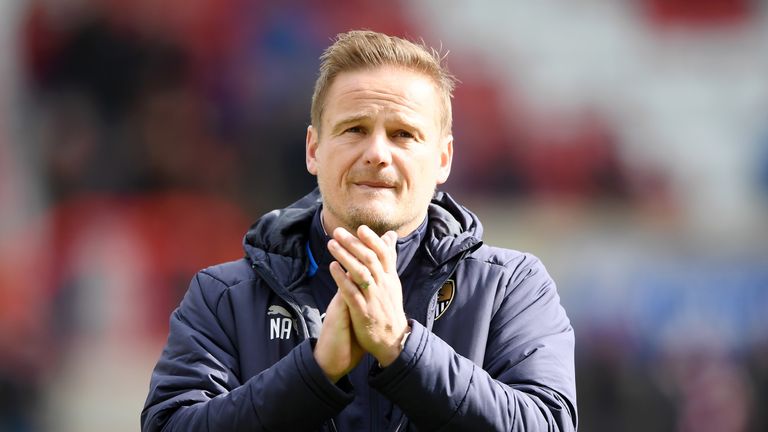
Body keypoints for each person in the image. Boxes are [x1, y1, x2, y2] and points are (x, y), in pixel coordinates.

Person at [141, 30, 577, 431]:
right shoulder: (223, 296)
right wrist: (313, 373)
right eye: (355, 129)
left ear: (443, 159)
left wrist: (403, 349)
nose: (377, 153)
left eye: (404, 134)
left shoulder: (511, 286)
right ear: (314, 149)